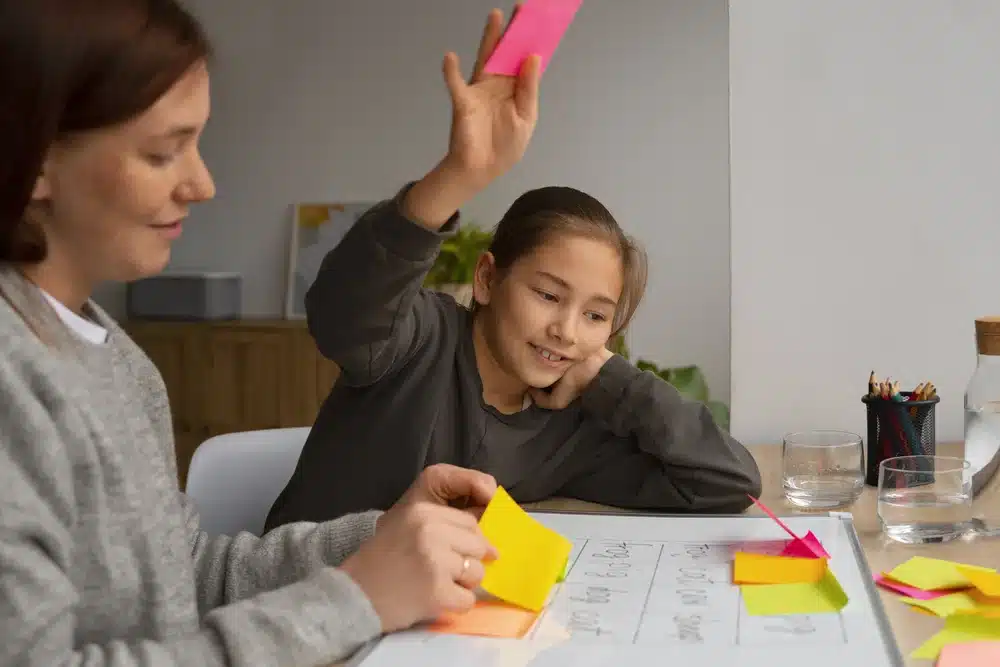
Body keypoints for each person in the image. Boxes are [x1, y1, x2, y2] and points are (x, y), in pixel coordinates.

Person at [0, 1, 540, 665]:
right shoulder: (14, 382)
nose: (202, 183)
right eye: (164, 152)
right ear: (33, 160)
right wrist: (357, 596)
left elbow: (188, 576)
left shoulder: (116, 356)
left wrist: (381, 541)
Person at [264, 103, 761, 530]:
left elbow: (728, 482)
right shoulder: (416, 339)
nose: (566, 331)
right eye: (547, 295)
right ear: (486, 279)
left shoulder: (568, 427)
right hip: (303, 606)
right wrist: (458, 174)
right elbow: (344, 307)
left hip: (424, 630)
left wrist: (616, 381)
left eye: (594, 315)